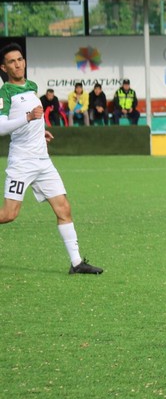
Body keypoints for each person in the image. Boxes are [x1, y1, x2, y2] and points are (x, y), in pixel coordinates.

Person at [0, 43, 103, 274]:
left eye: (20, 59)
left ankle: (76, 263)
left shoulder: (32, 86)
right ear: (4, 68)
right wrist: (28, 118)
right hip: (22, 162)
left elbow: (32, 119)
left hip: (43, 161)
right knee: (9, 214)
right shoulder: (4, 92)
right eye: (11, 61)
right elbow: (1, 127)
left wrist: (40, 131)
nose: (17, 64)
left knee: (63, 208)